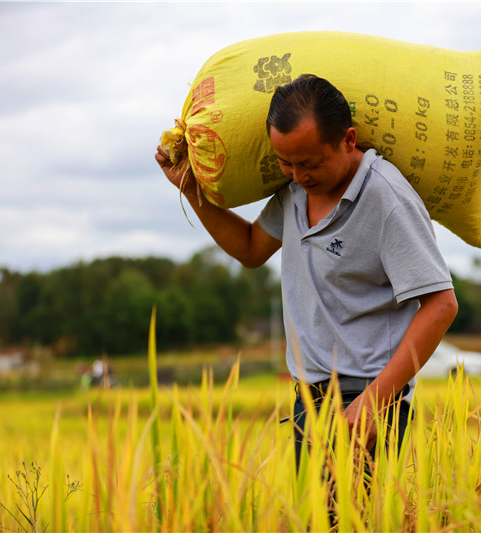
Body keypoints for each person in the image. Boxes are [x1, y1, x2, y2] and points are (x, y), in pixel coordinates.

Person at [155, 74, 458, 464]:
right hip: (308, 401)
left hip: (366, 398)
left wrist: (375, 400)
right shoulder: (296, 192)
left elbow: (441, 305)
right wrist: (190, 189)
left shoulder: (387, 199)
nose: (299, 175)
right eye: (287, 163)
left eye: (311, 163)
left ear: (348, 140)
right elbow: (250, 249)